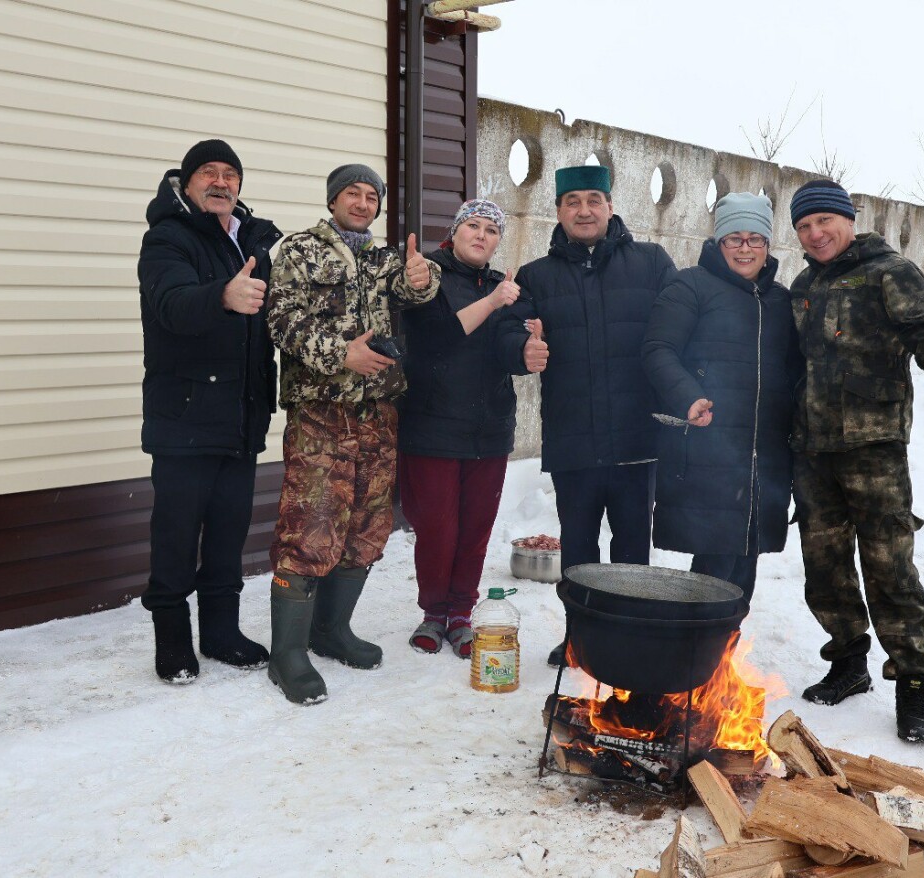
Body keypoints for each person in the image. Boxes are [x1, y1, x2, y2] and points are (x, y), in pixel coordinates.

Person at [788, 179, 924, 744]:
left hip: (874, 446)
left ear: (848, 219)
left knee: (889, 564)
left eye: (825, 221)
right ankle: (848, 661)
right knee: (824, 565)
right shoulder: (802, 284)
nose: (816, 233)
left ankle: (913, 682)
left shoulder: (889, 271)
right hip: (812, 448)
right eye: (804, 226)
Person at [266, 164, 441, 704]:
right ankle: (287, 655)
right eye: (352, 193)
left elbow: (417, 291)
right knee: (311, 527)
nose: (363, 203)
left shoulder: (385, 258)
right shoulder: (299, 250)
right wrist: (342, 353)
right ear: (332, 199)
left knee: (367, 526)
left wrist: (423, 278)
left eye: (372, 196)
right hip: (322, 413)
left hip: (379, 412)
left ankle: (331, 630)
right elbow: (280, 319)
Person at [499, 165, 678, 667]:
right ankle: (580, 636)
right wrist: (522, 350)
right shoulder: (537, 275)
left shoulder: (651, 262)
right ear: (558, 210)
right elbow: (514, 335)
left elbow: (680, 325)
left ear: (610, 206)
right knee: (577, 549)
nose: (583, 210)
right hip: (575, 438)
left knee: (632, 547)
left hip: (636, 437)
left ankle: (631, 635)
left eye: (593, 200)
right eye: (572, 201)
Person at [136, 138, 281, 683]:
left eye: (230, 175)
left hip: (240, 417)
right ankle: (172, 640)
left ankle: (221, 632)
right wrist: (222, 296)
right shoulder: (166, 240)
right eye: (209, 173)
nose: (221, 182)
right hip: (184, 417)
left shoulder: (248, 237)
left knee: (228, 529)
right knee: (176, 533)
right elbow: (172, 306)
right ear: (187, 182)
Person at [398, 199, 545, 658]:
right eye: (473, 226)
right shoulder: (429, 276)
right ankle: (432, 613)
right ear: (455, 232)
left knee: (476, 527)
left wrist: (525, 350)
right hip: (432, 426)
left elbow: (507, 341)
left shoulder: (506, 287)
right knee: (437, 527)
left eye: (491, 230)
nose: (482, 236)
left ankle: (462, 611)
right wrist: (494, 300)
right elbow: (437, 337)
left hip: (489, 429)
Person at [642, 193, 801, 611]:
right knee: (715, 558)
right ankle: (695, 651)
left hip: (762, 454)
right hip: (709, 445)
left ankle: (721, 655)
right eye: (734, 239)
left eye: (755, 239)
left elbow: (795, 372)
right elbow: (658, 349)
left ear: (768, 245)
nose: (745, 248)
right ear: (718, 242)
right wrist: (687, 397)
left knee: (746, 555)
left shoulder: (779, 301)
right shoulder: (690, 285)